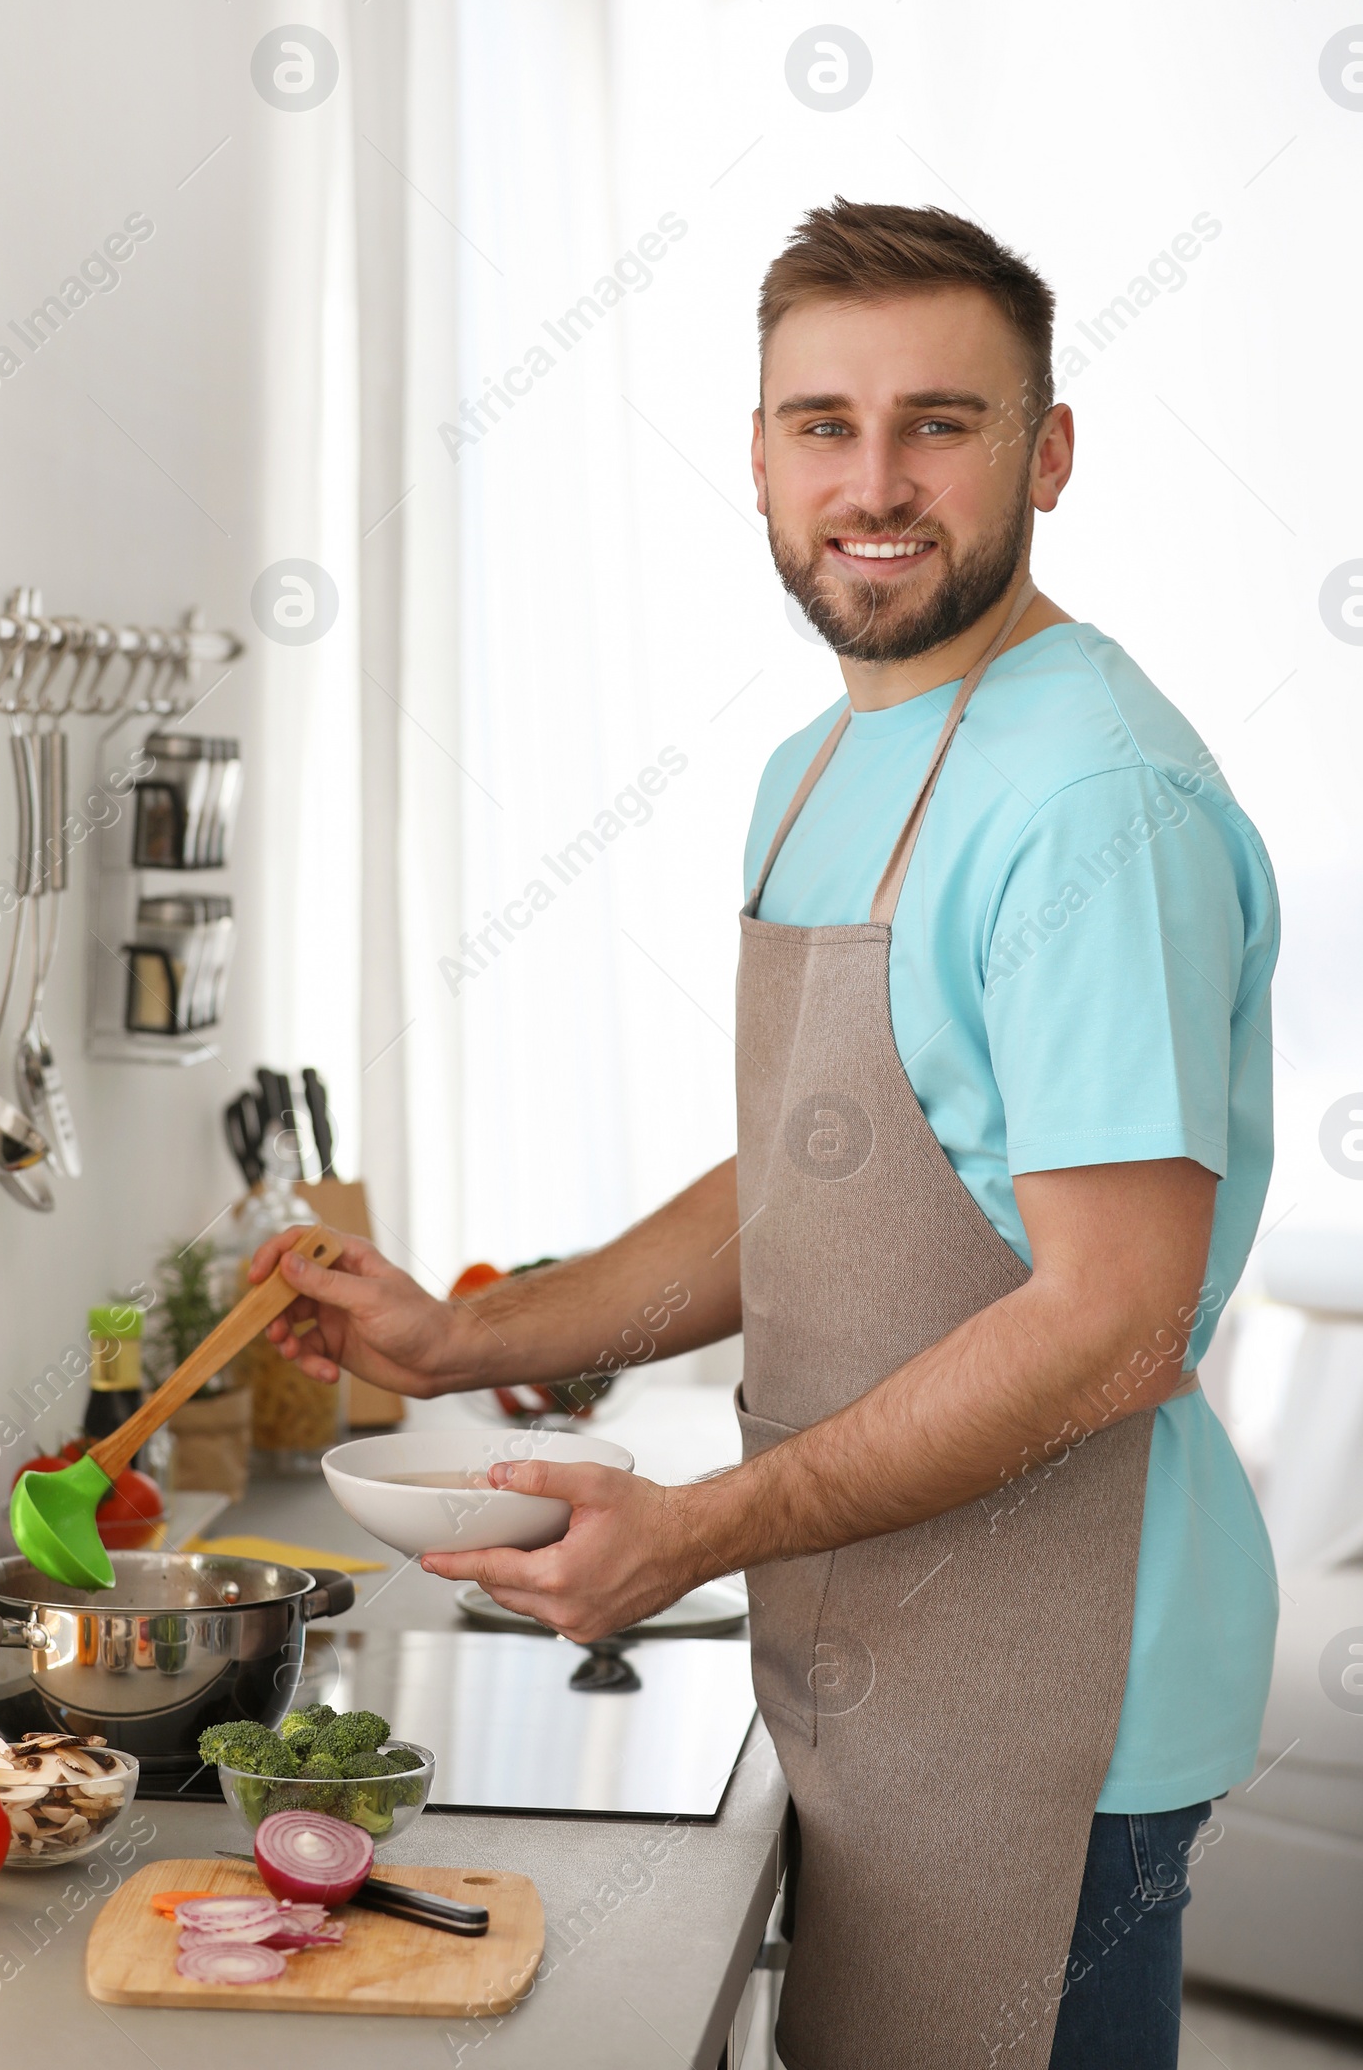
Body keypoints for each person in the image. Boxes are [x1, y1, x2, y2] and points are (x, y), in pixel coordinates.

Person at [250, 199, 1280, 2070]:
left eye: (940, 424)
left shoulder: (1094, 806)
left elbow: (1120, 1317)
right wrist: (471, 1336)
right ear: (754, 457)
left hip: (1060, 1689)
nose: (873, 483)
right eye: (823, 424)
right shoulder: (817, 771)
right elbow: (831, 1175)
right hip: (875, 1639)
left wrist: (694, 1533)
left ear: (1047, 449)